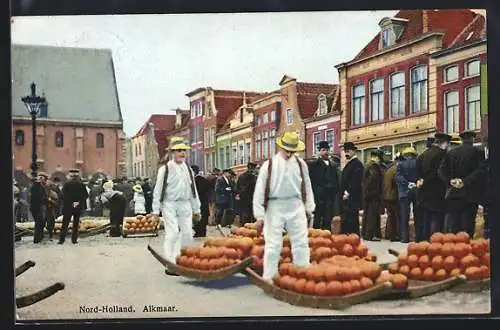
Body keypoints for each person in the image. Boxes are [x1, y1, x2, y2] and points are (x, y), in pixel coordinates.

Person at [253, 131, 315, 283]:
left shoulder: (301, 165)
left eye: (292, 150)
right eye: (287, 150)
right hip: (275, 206)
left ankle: (302, 274)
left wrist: (309, 208)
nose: (289, 153)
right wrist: (260, 215)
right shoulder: (269, 165)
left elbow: (307, 186)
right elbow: (260, 190)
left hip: (296, 204)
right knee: (273, 244)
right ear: (280, 147)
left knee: (301, 242)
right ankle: (269, 277)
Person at [152, 137, 201, 275]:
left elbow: (193, 191)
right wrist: (155, 211)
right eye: (179, 150)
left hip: (185, 204)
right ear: (172, 152)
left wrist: (196, 209)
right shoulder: (165, 169)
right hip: (170, 204)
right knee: (172, 233)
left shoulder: (188, 170)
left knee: (187, 233)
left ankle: (183, 260)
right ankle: (171, 263)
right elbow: (158, 191)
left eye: (184, 150)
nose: (182, 153)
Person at [438, 131, 486, 236]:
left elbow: (441, 170)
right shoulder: (478, 152)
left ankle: (452, 247)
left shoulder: (451, 152)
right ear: (472, 139)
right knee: (467, 225)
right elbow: (480, 171)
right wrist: (465, 181)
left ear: (461, 140)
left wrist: (450, 180)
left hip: (453, 193)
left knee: (453, 224)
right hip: (470, 194)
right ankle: (465, 248)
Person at [416, 133, 451, 239]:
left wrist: (421, 181)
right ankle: (435, 242)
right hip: (437, 192)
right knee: (436, 219)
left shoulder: (422, 155)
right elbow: (439, 172)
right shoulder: (443, 154)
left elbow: (418, 173)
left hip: (423, 193)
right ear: (444, 143)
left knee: (426, 219)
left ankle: (425, 242)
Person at [308, 141, 340, 230]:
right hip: (318, 197)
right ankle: (316, 238)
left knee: (328, 218)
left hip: (329, 197)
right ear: (319, 151)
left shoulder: (333, 165)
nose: (325, 152)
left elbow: (336, 181)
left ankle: (326, 238)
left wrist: (335, 193)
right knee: (317, 219)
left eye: (327, 150)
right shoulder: (313, 165)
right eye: (323, 150)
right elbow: (311, 182)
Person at [339, 142, 364, 235]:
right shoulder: (350, 163)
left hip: (352, 197)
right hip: (347, 197)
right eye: (345, 151)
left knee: (351, 220)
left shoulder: (357, 164)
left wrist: (348, 192)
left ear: (354, 151)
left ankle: (352, 239)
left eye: (348, 151)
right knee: (347, 219)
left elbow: (356, 181)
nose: (346, 153)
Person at [59, 169, 89, 244]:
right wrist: (78, 202)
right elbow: (86, 195)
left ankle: (61, 240)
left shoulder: (66, 184)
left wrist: (71, 202)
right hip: (77, 207)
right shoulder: (81, 185)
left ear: (70, 176)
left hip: (68, 207)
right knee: (75, 224)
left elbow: (63, 195)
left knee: (65, 223)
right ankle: (74, 240)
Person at [396, 147, 419, 243]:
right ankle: (418, 237)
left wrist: (407, 183)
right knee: (417, 215)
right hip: (416, 190)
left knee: (404, 216)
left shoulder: (400, 164)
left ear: (405, 155)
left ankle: (405, 238)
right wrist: (414, 183)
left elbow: (398, 177)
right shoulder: (418, 163)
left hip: (404, 192)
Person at [361, 149, 385, 241]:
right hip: (373, 195)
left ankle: (365, 233)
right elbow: (373, 180)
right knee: (372, 215)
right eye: (379, 159)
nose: (380, 161)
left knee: (367, 215)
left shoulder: (367, 165)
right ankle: (370, 234)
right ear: (376, 157)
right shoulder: (374, 167)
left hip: (367, 194)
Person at [382, 154, 402, 241]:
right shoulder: (396, 170)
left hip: (387, 195)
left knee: (390, 216)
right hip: (393, 196)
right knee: (396, 216)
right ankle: (395, 235)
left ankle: (388, 234)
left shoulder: (388, 169)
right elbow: (396, 182)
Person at [191, 165, 211, 237]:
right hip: (202, 203)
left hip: (200, 203)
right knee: (201, 219)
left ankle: (200, 232)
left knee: (200, 219)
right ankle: (200, 232)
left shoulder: (198, 180)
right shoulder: (201, 179)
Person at [30, 172, 49, 243]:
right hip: (37, 208)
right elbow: (36, 197)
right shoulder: (35, 186)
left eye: (43, 178)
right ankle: (37, 239)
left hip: (41, 207)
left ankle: (40, 237)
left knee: (41, 223)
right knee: (39, 223)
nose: (41, 179)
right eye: (40, 177)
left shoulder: (42, 187)